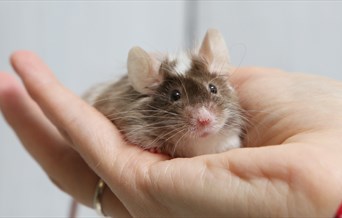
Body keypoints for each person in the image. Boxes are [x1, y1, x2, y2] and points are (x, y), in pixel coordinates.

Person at [0, 51, 341, 217]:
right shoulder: (144, 113)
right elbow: (130, 126)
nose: (205, 117)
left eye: (211, 91)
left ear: (220, 84)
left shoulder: (233, 114)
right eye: (177, 97)